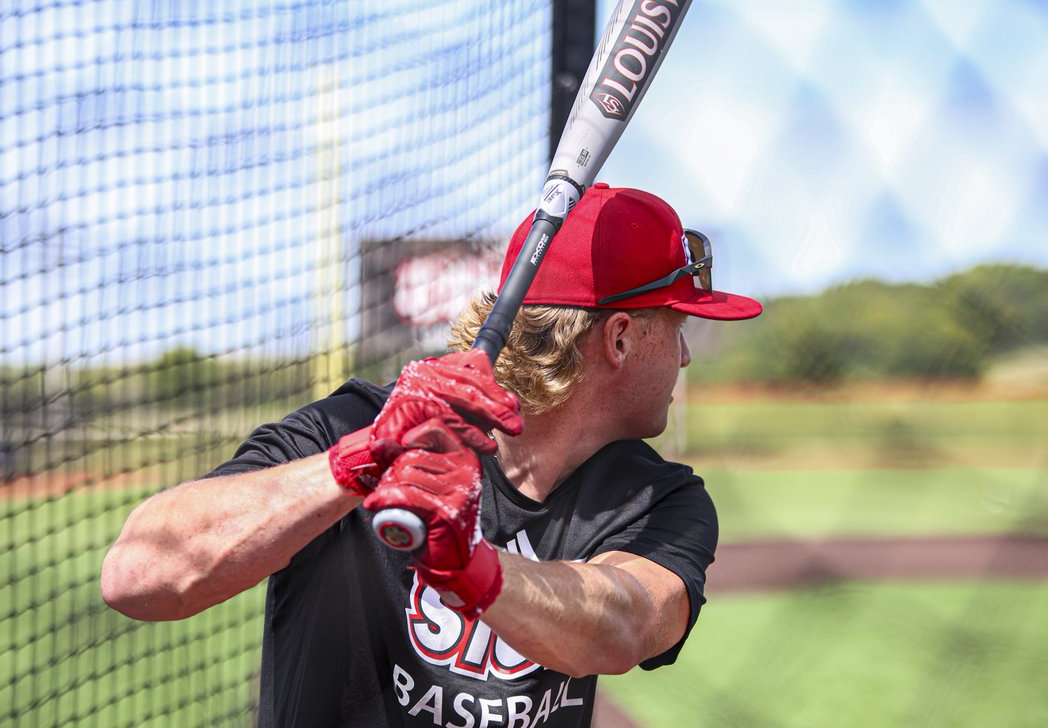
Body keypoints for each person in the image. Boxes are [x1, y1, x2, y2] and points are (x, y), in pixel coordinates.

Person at [101, 182, 762, 727]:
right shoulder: (357, 424)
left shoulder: (660, 500)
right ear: (619, 338)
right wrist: (357, 463)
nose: (685, 354)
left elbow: (623, 621)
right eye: (677, 327)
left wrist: (469, 568)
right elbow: (135, 577)